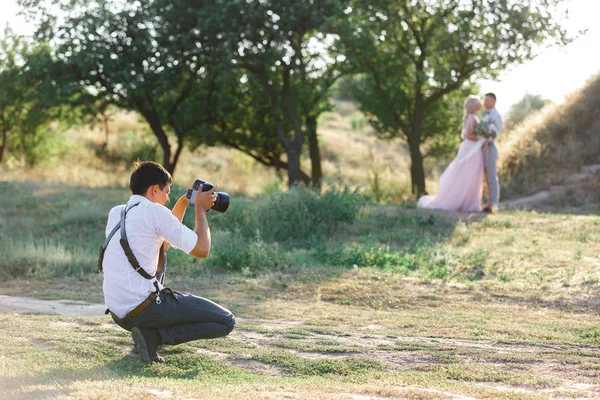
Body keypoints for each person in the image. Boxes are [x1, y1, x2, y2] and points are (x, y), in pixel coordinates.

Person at [99, 161, 235, 364]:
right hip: (144, 309)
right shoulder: (154, 212)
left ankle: (146, 333)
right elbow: (201, 249)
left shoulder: (117, 212)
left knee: (161, 257)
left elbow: (163, 245)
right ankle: (154, 337)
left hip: (120, 313)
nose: (168, 198)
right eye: (167, 191)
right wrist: (200, 210)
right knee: (226, 321)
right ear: (155, 189)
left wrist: (182, 203)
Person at [417, 96, 488, 212]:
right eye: (478, 102)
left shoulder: (472, 117)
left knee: (472, 174)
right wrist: (482, 137)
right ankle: (465, 203)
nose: (480, 103)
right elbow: (469, 135)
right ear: (474, 105)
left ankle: (469, 202)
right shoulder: (472, 118)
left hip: (471, 148)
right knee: (469, 174)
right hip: (471, 150)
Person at [482, 93, 503, 213]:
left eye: (487, 100)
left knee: (491, 176)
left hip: (490, 147)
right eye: (484, 100)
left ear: (494, 101)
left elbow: (494, 133)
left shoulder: (496, 116)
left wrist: (486, 139)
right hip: (483, 148)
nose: (485, 103)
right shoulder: (486, 115)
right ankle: (488, 202)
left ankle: (494, 204)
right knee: (485, 177)